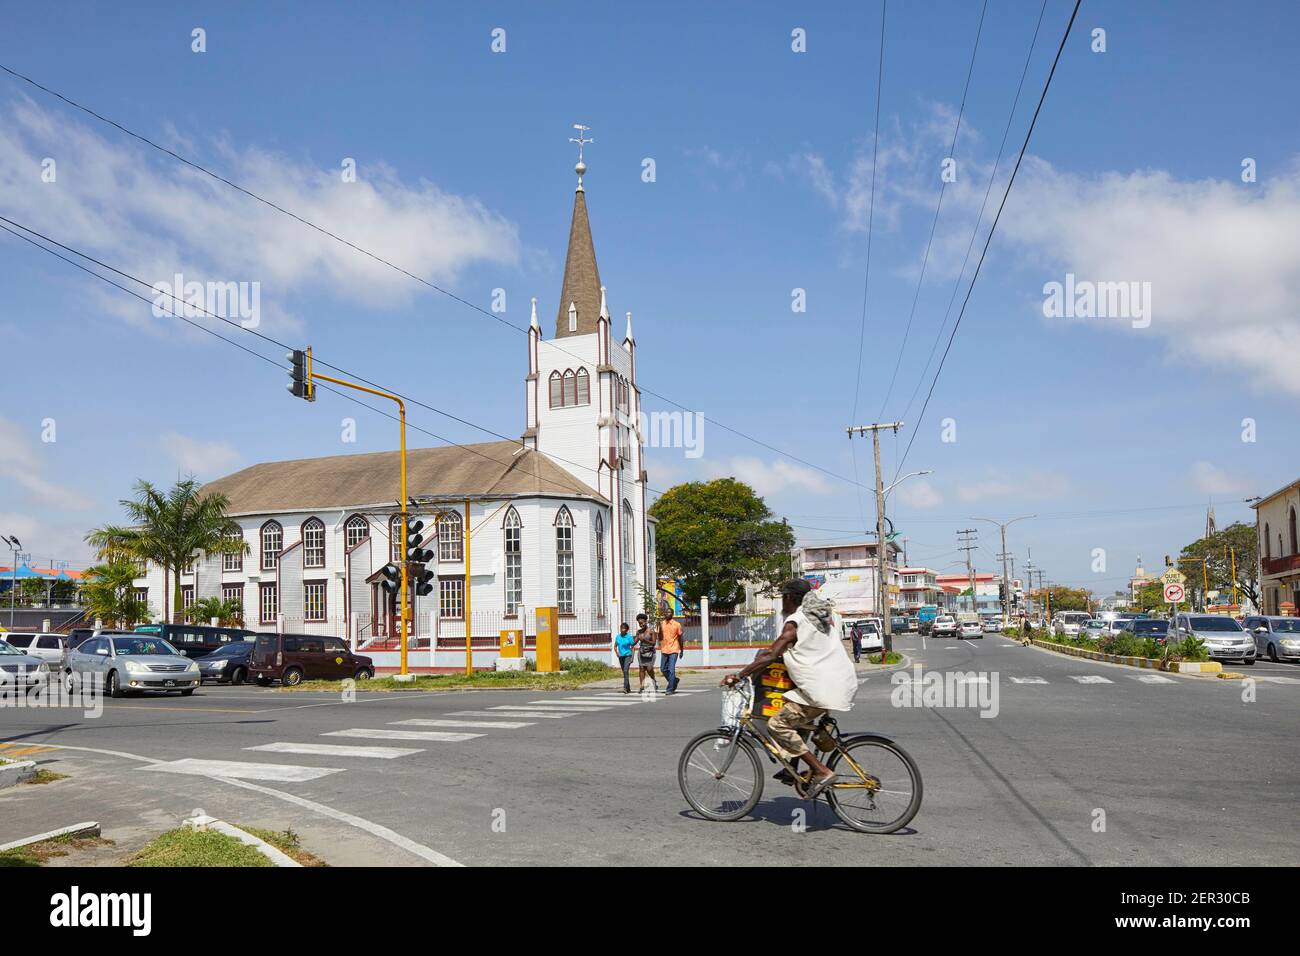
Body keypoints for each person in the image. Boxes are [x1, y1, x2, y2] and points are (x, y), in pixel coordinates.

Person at [721, 579, 857, 800]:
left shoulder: (796, 621)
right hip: (840, 682)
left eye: (783, 596)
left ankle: (822, 771)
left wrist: (739, 676)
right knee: (791, 712)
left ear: (791, 598)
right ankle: (791, 766)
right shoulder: (820, 618)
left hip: (821, 689)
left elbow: (770, 654)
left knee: (778, 723)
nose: (782, 601)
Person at [657, 607, 684, 694]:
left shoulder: (677, 624)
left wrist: (682, 650)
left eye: (669, 612)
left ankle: (670, 689)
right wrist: (659, 628)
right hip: (664, 649)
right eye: (666, 612)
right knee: (663, 669)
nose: (667, 614)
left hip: (674, 649)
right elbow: (660, 637)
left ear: (672, 614)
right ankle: (674, 681)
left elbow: (680, 638)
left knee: (671, 669)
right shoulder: (661, 623)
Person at [634, 613, 658, 694]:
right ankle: (641, 686)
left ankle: (653, 681)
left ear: (646, 621)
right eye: (639, 623)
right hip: (642, 652)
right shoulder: (639, 632)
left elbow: (654, 643)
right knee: (641, 669)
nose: (641, 624)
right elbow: (634, 642)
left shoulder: (651, 631)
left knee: (649, 669)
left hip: (650, 652)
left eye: (642, 622)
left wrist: (644, 640)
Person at [614, 622, 636, 694]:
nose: (622, 630)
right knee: (624, 672)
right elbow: (615, 646)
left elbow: (632, 648)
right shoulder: (618, 637)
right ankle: (628, 688)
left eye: (624, 628)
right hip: (621, 656)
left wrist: (632, 658)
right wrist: (617, 653)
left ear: (627, 630)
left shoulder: (629, 637)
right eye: (621, 628)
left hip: (628, 655)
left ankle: (625, 688)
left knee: (626, 670)